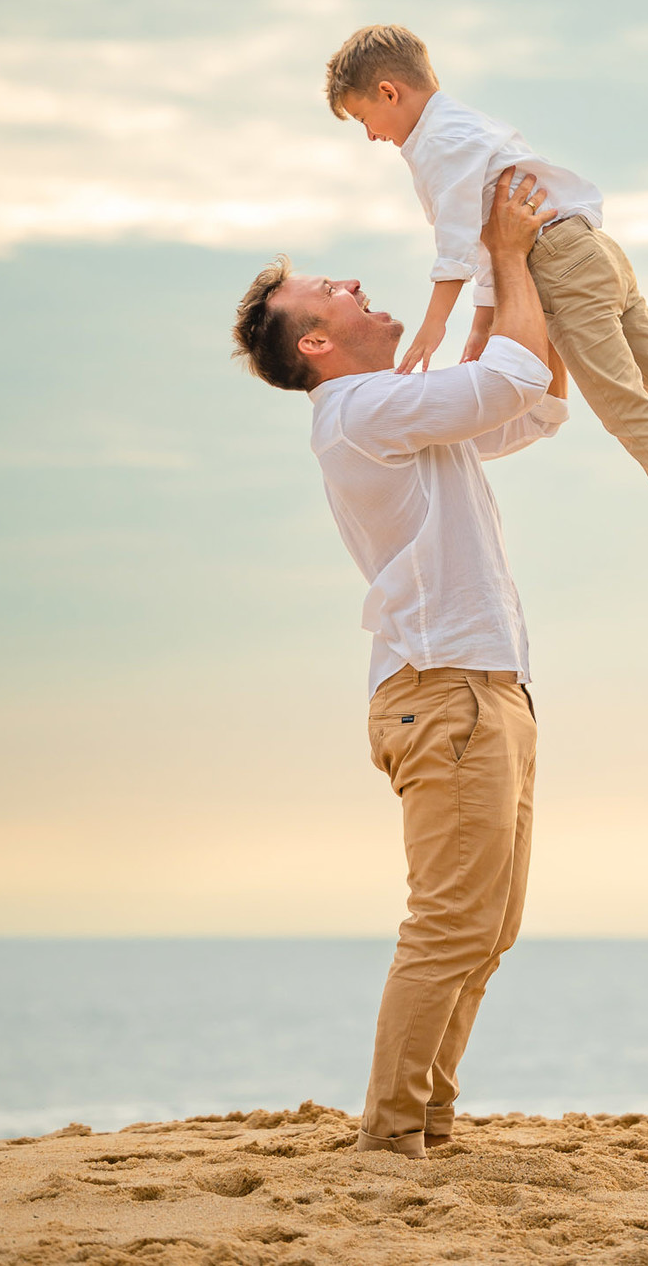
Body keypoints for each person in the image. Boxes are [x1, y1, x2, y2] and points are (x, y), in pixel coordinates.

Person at [231, 170, 567, 1159]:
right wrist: (505, 255)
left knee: (487, 927)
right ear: (315, 344)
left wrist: (509, 285)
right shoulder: (359, 409)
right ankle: (389, 1140)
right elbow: (512, 381)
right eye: (329, 290)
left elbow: (533, 404)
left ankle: (428, 1123)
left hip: (486, 690)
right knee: (451, 923)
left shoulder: (393, 412)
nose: (352, 284)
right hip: (445, 694)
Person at [324, 22, 648, 606]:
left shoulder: (435, 143)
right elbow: (488, 238)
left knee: (619, 401)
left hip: (556, 266)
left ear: (389, 92)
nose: (371, 135)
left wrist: (438, 323)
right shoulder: (464, 125)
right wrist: (481, 324)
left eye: (365, 119)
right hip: (587, 249)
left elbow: (457, 238)